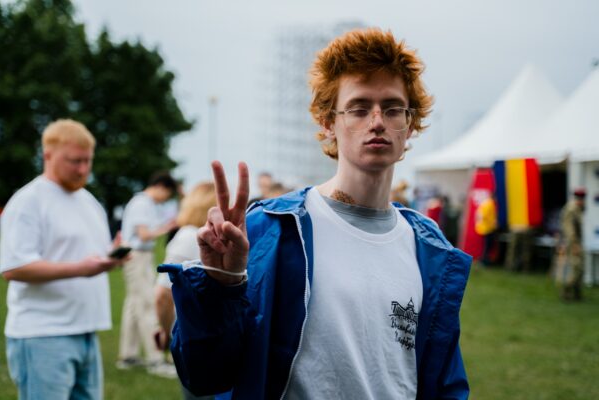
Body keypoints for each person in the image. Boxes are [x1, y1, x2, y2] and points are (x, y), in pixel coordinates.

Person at [160, 28, 472, 399]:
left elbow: (444, 382)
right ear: (328, 122)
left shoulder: (430, 251)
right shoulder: (269, 231)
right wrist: (220, 286)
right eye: (358, 108)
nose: (377, 121)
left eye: (392, 109)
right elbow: (205, 375)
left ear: (410, 125)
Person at [0, 119, 122, 399]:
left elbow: (87, 255)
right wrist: (81, 269)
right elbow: (14, 267)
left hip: (86, 330)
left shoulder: (89, 201)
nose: (83, 169)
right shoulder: (28, 201)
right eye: (74, 161)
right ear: (47, 155)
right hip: (42, 334)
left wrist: (112, 256)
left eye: (88, 161)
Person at [155, 182, 217, 400]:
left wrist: (164, 332)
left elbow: (163, 295)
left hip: (197, 336)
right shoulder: (200, 237)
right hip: (208, 334)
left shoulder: (189, 236)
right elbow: (164, 294)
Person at [117, 171, 178, 376]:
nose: (165, 199)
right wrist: (168, 227)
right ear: (161, 187)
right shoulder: (142, 203)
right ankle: (155, 359)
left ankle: (128, 355)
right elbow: (143, 235)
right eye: (167, 194)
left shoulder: (143, 203)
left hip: (138, 256)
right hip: (138, 256)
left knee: (133, 306)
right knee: (147, 306)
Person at [555, 187, 586, 301]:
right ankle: (566, 292)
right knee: (576, 269)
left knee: (579, 269)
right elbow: (570, 230)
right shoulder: (571, 209)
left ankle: (577, 293)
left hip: (575, 242)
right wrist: (575, 245)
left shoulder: (576, 208)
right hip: (573, 243)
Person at [475, 193, 498, 265]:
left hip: (484, 227)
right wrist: (493, 223)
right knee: (488, 246)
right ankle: (484, 260)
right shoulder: (490, 204)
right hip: (488, 228)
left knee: (486, 245)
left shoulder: (485, 203)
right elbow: (486, 216)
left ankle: (484, 259)